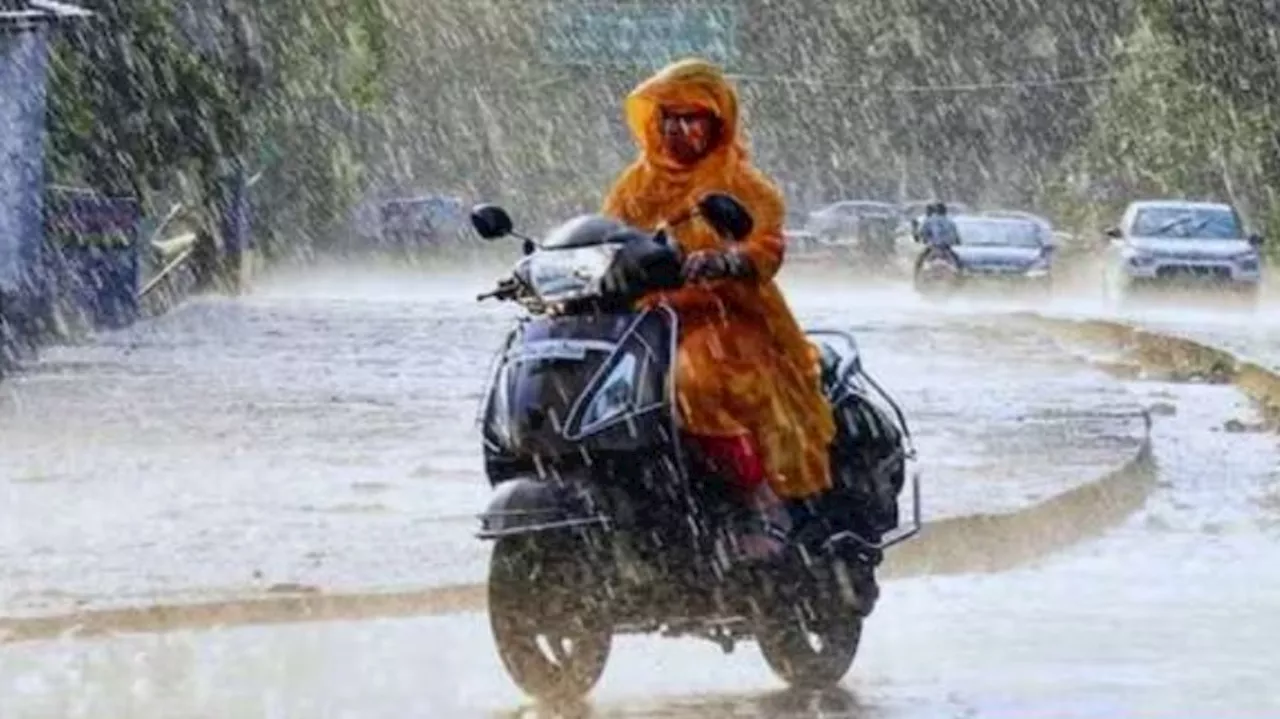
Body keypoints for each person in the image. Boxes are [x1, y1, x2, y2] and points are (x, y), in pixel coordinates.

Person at [601, 58, 836, 561]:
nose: (680, 129)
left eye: (693, 118)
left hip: (726, 318)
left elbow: (767, 247)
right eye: (669, 117)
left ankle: (760, 502)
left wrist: (728, 260)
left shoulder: (746, 187)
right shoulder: (633, 187)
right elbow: (607, 238)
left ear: (718, 123)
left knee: (694, 380)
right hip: (645, 320)